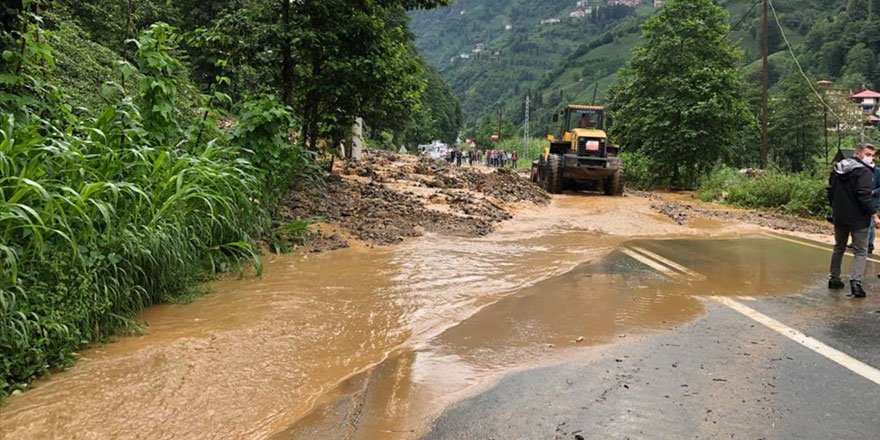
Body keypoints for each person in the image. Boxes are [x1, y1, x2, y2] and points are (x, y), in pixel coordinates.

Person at [828, 143, 877, 298]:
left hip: (840, 216)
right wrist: (874, 214)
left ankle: (834, 279)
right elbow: (864, 196)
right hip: (858, 218)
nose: (872, 158)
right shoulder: (863, 172)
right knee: (861, 251)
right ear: (858, 153)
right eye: (868, 154)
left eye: (873, 155)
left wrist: (835, 208)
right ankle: (856, 283)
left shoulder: (837, 169)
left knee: (839, 247)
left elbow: (830, 191)